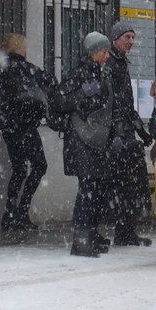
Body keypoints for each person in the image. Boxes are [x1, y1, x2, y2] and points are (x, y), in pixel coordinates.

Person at [58, 32, 115, 257]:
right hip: (81, 140)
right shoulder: (78, 75)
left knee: (96, 190)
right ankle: (81, 240)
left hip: (96, 140)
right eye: (104, 51)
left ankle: (89, 235)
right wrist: (81, 94)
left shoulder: (101, 74)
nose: (108, 55)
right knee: (88, 189)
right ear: (93, 53)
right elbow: (58, 102)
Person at [0, 33, 54, 232]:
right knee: (39, 166)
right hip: (26, 125)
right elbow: (51, 81)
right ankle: (21, 212)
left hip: (10, 126)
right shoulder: (27, 69)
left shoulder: (1, 68)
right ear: (20, 48)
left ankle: (10, 214)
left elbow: (2, 89)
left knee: (19, 169)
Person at [103, 21, 154, 247]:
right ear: (115, 40)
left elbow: (126, 105)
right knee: (122, 185)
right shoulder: (110, 65)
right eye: (127, 38)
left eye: (133, 38)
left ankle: (127, 231)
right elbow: (112, 105)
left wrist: (140, 130)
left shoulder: (121, 63)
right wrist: (117, 132)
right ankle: (121, 231)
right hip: (117, 137)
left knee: (132, 185)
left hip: (125, 135)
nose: (131, 42)